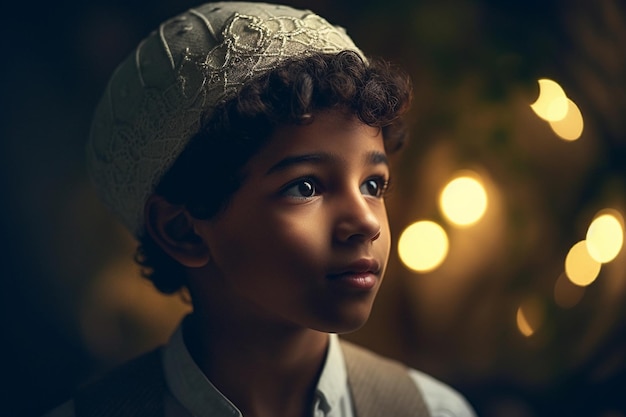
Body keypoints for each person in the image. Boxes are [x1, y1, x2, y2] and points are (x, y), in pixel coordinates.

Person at [45, 2, 476, 417]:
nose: (365, 221)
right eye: (305, 187)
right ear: (183, 230)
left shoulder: (435, 411)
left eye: (372, 185)